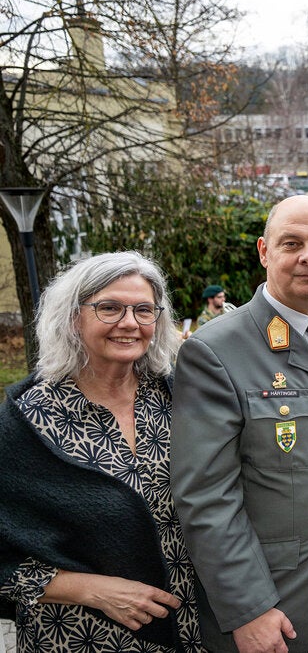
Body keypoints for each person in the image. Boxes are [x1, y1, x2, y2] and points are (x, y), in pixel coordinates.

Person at [171, 195, 308, 653]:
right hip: (283, 611)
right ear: (264, 251)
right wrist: (248, 608)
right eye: (292, 243)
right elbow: (207, 496)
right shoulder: (216, 351)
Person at [0, 251, 202, 652]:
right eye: (109, 308)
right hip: (80, 635)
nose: (129, 323)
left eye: (144, 310)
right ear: (74, 317)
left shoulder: (178, 396)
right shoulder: (27, 420)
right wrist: (90, 589)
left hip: (188, 626)